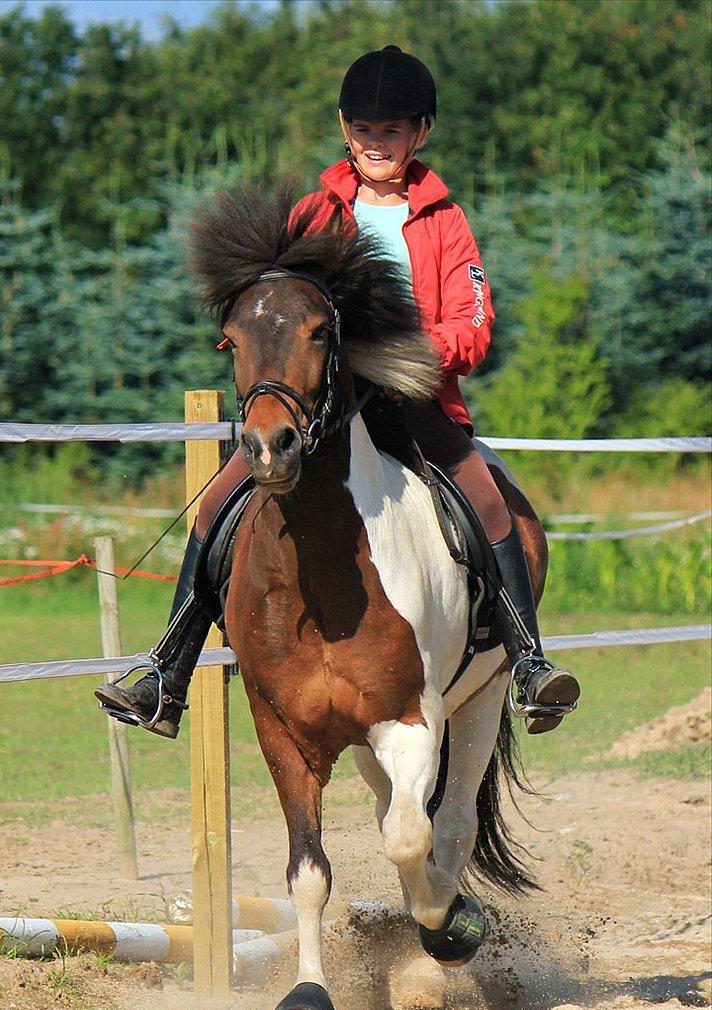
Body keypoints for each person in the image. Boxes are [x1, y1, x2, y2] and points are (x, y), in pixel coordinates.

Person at [96, 45, 579, 739]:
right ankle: (166, 672)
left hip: (412, 400)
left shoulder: (446, 221)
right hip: (319, 406)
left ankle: (528, 663)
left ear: (421, 133)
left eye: (392, 130)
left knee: (487, 501)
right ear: (344, 129)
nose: (376, 143)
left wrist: (397, 352)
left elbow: (472, 330)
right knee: (217, 504)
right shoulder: (314, 212)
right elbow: (274, 305)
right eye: (363, 129)